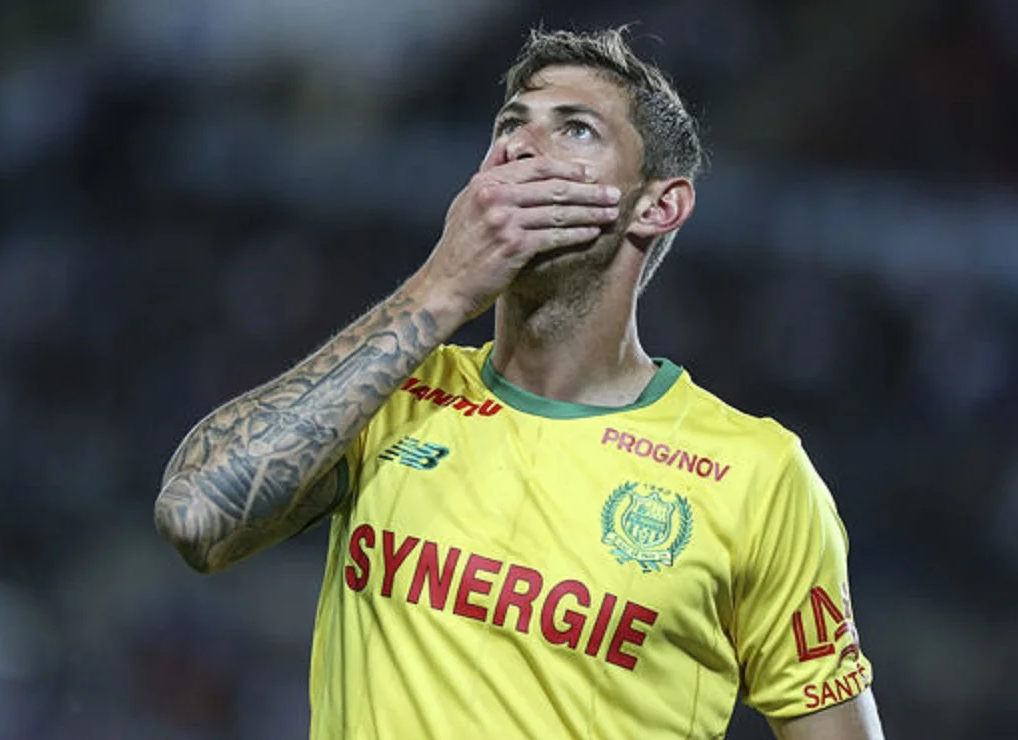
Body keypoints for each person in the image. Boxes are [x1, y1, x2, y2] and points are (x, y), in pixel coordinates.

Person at [154, 26, 884, 740]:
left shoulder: (756, 476)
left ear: (658, 205)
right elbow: (194, 518)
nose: (521, 146)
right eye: (510, 125)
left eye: (576, 130)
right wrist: (440, 288)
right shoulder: (392, 395)